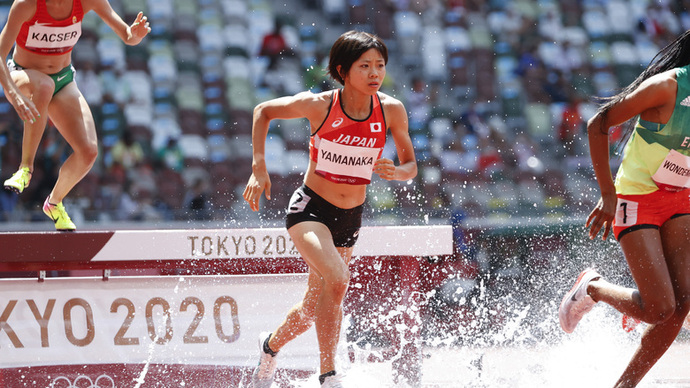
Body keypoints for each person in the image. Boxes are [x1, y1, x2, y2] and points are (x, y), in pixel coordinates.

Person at [243, 30, 417, 388]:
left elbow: (411, 165)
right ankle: (329, 375)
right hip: (310, 210)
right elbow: (263, 112)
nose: (375, 74)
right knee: (338, 282)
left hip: (350, 218)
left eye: (380, 66)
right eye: (365, 66)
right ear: (342, 70)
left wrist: (395, 171)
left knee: (312, 308)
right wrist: (259, 168)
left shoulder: (391, 110)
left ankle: (269, 348)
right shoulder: (321, 105)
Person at [559, 30, 690, 388]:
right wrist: (608, 193)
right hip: (636, 197)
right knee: (660, 308)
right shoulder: (668, 88)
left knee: (680, 308)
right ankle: (593, 288)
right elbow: (598, 123)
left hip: (679, 199)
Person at [0, 0, 150, 231]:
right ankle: (25, 169)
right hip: (22, 76)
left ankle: (54, 202)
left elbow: (127, 36)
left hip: (63, 79)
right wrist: (13, 93)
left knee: (89, 152)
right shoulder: (26, 4)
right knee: (44, 87)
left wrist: (135, 35)